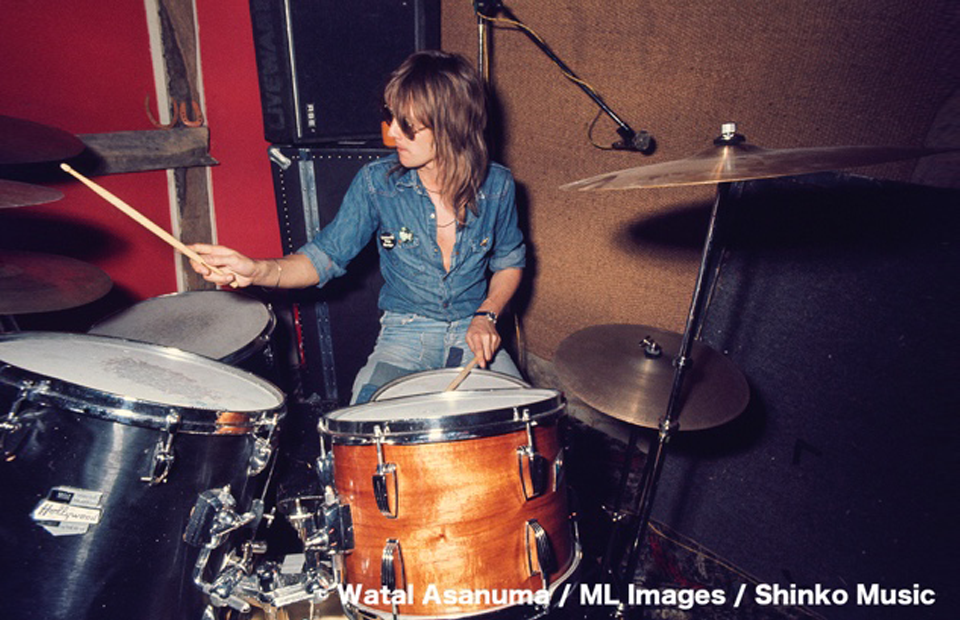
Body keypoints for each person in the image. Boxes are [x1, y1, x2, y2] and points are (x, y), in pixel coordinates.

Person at [189, 50, 526, 404]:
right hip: (405, 336)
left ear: (451, 127)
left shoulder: (498, 186)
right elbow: (323, 258)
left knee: (527, 417)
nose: (392, 132)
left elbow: (509, 262)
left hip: (472, 330)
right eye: (390, 117)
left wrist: (487, 315)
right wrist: (256, 270)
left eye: (407, 125)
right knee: (362, 424)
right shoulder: (376, 184)